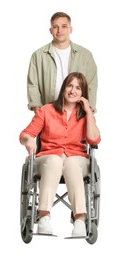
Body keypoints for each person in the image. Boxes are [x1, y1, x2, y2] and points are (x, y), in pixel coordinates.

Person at [20, 72, 101, 237]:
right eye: (70, 85)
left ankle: (79, 219)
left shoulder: (86, 114)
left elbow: (94, 139)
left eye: (78, 88)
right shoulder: (46, 110)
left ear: (83, 93)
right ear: (63, 87)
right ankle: (44, 217)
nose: (73, 91)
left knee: (71, 162)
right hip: (49, 158)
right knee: (55, 160)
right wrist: (29, 140)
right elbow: (25, 134)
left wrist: (89, 112)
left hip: (77, 159)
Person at [27, 11, 98, 114]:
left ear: (70, 29)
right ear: (51, 30)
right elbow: (32, 85)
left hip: (77, 113)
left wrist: (89, 109)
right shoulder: (38, 56)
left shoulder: (85, 55)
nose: (60, 30)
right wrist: (37, 109)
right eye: (55, 27)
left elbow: (92, 84)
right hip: (48, 112)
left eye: (64, 26)